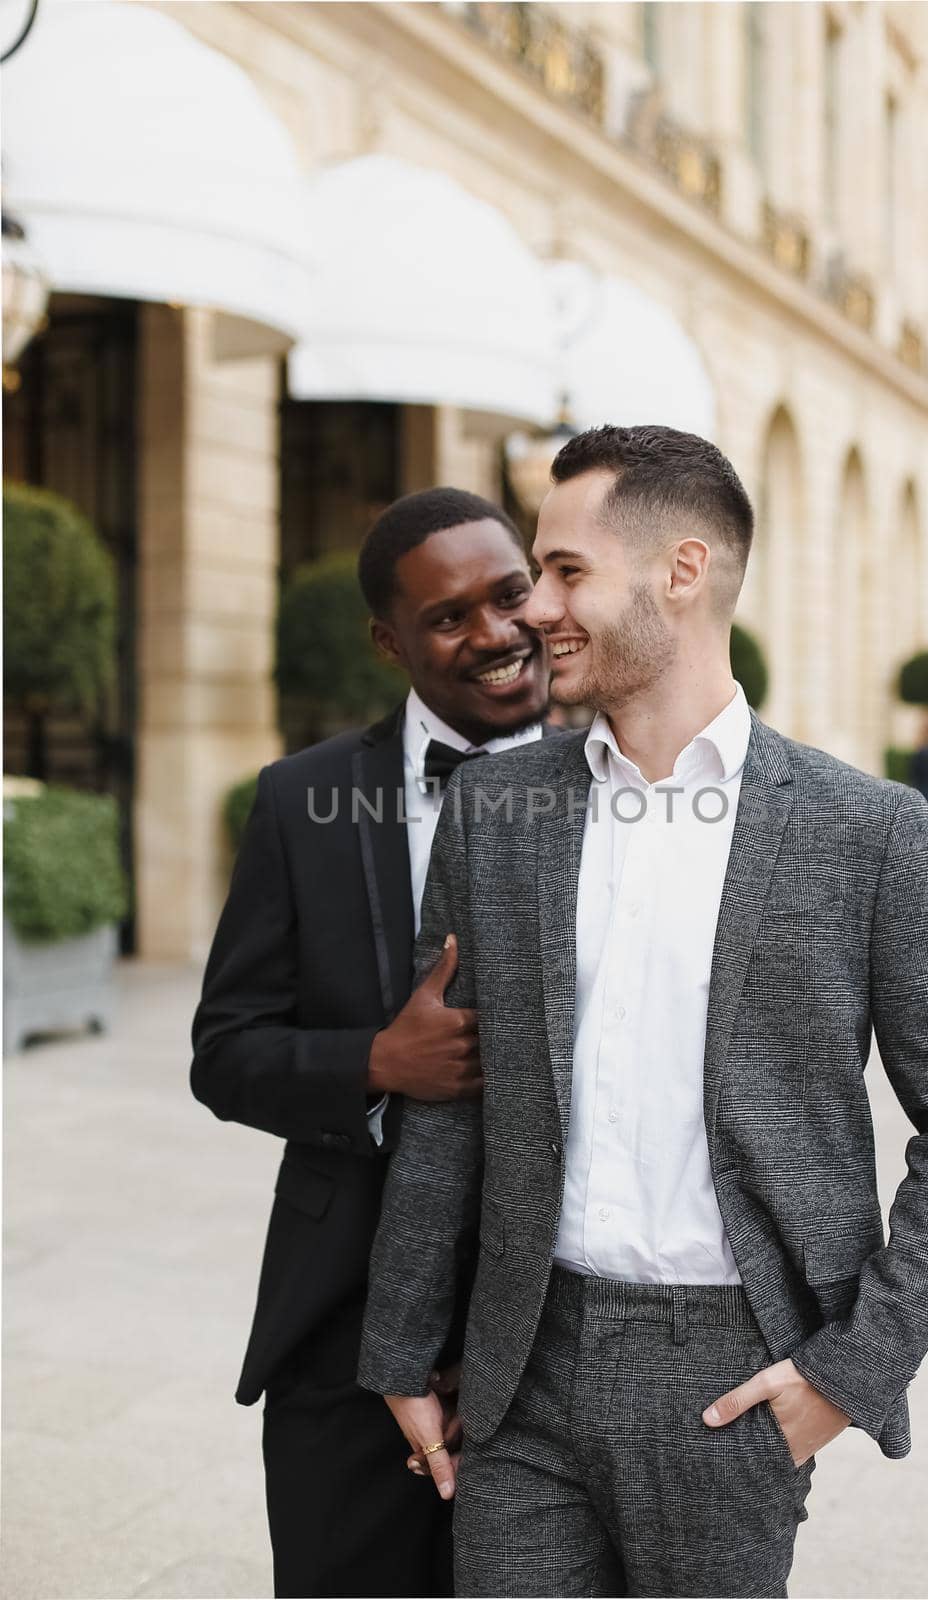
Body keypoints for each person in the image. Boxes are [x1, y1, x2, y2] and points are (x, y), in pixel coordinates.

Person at [357, 426, 928, 1599]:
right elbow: (454, 1092)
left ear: (682, 569)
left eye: (566, 573)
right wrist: (404, 1343)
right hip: (518, 1361)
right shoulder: (497, 809)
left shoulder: (858, 830)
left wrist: (847, 1372)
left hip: (732, 1374)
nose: (532, 612)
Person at [190, 487, 550, 1599]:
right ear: (389, 641)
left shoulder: (632, 780)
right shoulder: (301, 800)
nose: (493, 634)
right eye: (449, 617)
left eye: (510, 595)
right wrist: (372, 1065)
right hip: (341, 1318)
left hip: (553, 1334)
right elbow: (225, 1048)